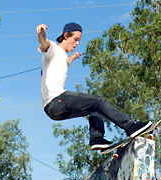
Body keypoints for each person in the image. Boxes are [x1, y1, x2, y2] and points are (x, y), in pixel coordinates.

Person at [37, 21, 152, 150]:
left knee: (94, 109)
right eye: (75, 39)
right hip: (56, 100)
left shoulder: (62, 57)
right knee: (98, 102)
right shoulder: (53, 49)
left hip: (52, 111)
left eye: (79, 41)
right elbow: (44, 43)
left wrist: (73, 57)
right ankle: (131, 126)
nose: (77, 43)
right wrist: (41, 33)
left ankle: (96, 138)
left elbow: (65, 62)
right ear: (65, 36)